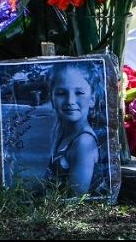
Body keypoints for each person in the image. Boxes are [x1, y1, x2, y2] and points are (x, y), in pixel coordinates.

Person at [46, 62, 100, 196]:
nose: (70, 100)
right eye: (61, 93)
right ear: (52, 98)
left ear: (92, 99)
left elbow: (76, 197)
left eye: (79, 92)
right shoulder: (62, 130)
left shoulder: (83, 143)